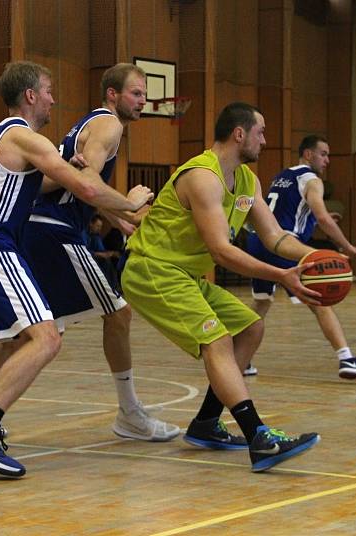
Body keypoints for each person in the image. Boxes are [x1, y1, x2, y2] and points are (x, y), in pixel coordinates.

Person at [0, 60, 153, 478]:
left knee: (15, 339)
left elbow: (55, 182)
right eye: (48, 90)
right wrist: (131, 202)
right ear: (30, 95)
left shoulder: (3, 137)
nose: (53, 98)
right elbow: (85, 186)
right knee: (47, 339)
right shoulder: (24, 135)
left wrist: (106, 202)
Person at [121, 102, 320, 472]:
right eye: (260, 132)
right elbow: (221, 251)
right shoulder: (202, 176)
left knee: (250, 327)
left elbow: (275, 236)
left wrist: (315, 257)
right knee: (218, 340)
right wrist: (281, 275)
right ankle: (258, 437)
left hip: (187, 276)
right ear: (239, 134)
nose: (265, 140)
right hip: (153, 270)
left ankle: (207, 423)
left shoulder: (246, 181)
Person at [17, 63, 177, 442]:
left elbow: (76, 183)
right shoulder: (110, 125)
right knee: (118, 314)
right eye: (136, 93)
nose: (143, 101)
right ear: (112, 94)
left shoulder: (87, 124)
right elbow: (88, 184)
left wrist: (118, 220)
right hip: (54, 232)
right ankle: (130, 414)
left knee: (25, 336)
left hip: (36, 230)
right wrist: (129, 205)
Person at [243, 135, 356, 383]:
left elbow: (291, 213)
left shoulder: (283, 176)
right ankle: (347, 358)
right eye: (323, 154)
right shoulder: (312, 180)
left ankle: (241, 358)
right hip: (281, 243)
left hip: (257, 241)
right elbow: (323, 217)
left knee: (262, 302)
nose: (328, 160)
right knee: (320, 299)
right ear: (308, 155)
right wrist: (346, 245)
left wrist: (316, 221)